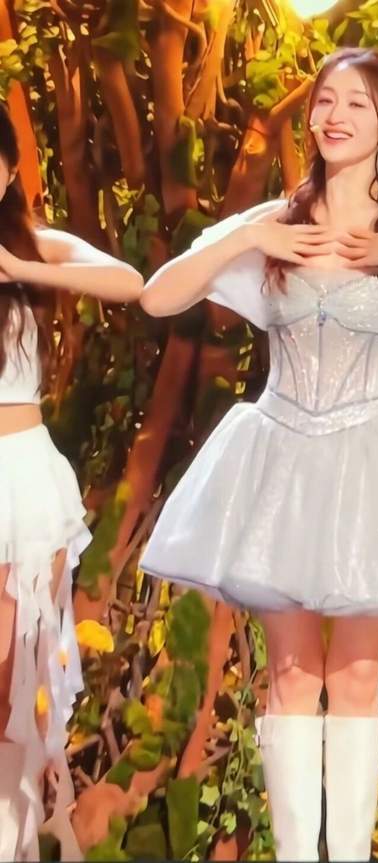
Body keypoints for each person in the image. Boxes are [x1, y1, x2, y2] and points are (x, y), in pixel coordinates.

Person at [139, 46, 378, 862]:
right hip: (282, 459)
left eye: (356, 104)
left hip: (370, 460)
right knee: (290, 675)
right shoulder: (278, 220)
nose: (334, 116)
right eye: (325, 101)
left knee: (354, 677)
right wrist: (249, 234)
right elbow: (157, 295)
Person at [0, 103, 144, 861]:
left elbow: (129, 281)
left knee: (15, 682)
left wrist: (23, 270)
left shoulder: (32, 246)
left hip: (21, 485)